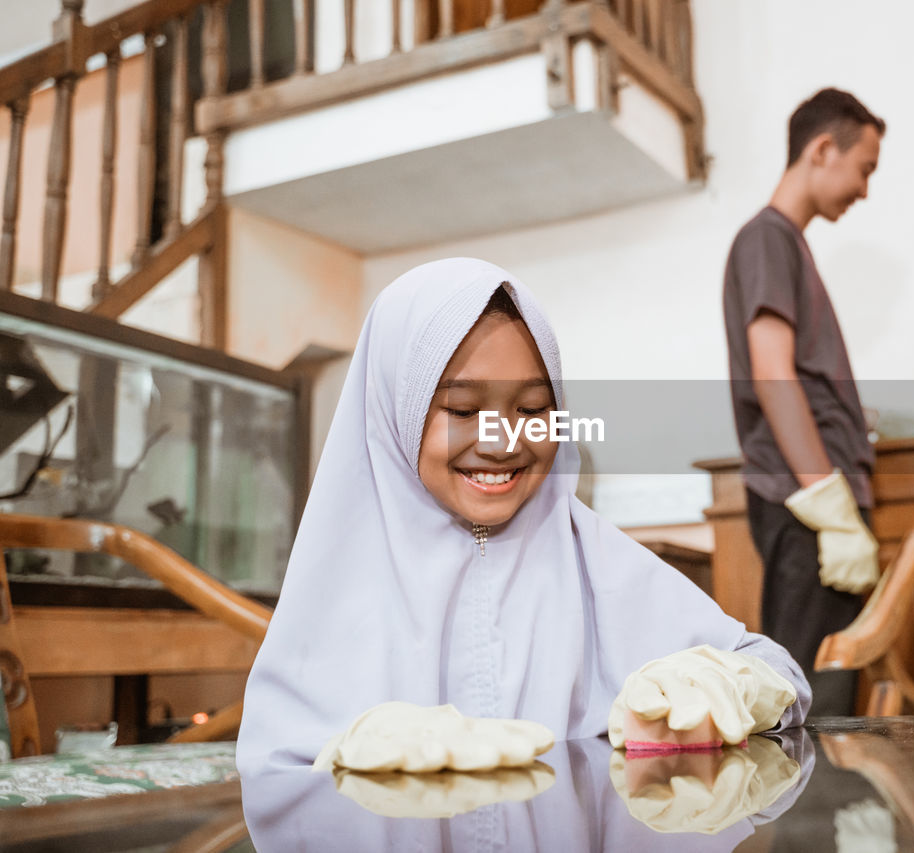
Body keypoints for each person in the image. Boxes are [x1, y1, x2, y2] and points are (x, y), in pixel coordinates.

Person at [237, 258, 810, 775]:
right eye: (462, 409)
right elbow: (273, 771)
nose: (503, 439)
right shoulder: (336, 581)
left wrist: (726, 688)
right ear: (396, 412)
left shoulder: (594, 558)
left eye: (534, 409)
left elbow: (778, 673)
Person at [722, 88, 886, 715]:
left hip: (820, 508)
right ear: (822, 149)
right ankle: (806, 819)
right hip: (811, 510)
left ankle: (828, 816)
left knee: (831, 703)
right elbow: (773, 373)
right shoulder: (767, 239)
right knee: (807, 710)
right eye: (864, 168)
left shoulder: (784, 245)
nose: (865, 189)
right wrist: (830, 503)